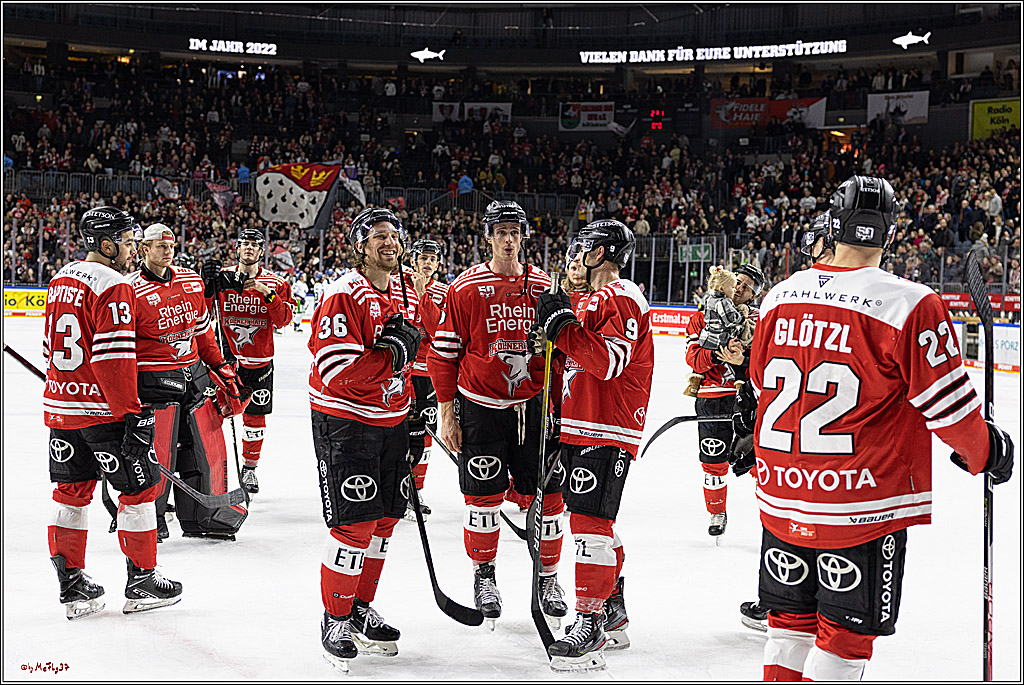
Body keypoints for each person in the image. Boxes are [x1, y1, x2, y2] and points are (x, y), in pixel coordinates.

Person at [738, 176, 1014, 680]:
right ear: (889, 234)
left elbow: (760, 380)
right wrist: (986, 452)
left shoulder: (779, 295)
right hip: (861, 507)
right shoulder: (909, 302)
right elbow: (951, 413)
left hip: (781, 499)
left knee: (788, 632)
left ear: (832, 227)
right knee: (843, 642)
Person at [427, 200, 567, 630]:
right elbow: (444, 355)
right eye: (500, 231)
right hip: (481, 408)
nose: (508, 239)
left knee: (550, 497)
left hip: (534, 409)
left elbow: (563, 352)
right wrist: (447, 413)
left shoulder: (545, 287)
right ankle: (483, 575)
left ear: (524, 235)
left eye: (514, 231)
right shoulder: (465, 288)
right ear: (487, 236)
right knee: (482, 498)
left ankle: (548, 578)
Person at [44, 206, 182, 620]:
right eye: (126, 243)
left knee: (71, 493)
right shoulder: (114, 285)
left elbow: (52, 347)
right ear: (106, 245)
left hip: (63, 408)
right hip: (104, 412)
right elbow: (114, 358)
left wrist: (63, 385)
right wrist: (133, 414)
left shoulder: (59, 278)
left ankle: (72, 586)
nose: (132, 252)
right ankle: (142, 580)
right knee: (139, 491)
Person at [529, 219, 653, 672]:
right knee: (593, 520)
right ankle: (612, 608)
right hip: (584, 424)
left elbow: (607, 362)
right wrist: (550, 342)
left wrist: (562, 328)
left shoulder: (620, 296)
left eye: (583, 246)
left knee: (590, 525)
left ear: (601, 253)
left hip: (607, 426)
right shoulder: (595, 300)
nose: (575, 254)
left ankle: (590, 622)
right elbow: (579, 359)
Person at [307, 207, 422, 670]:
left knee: (385, 522)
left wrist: (417, 406)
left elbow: (417, 351)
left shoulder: (404, 289)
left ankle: (358, 605)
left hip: (391, 420)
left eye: (393, 235)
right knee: (353, 524)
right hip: (346, 423)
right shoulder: (343, 294)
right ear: (360, 245)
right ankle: (334, 615)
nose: (388, 243)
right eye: (377, 237)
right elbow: (337, 371)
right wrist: (388, 356)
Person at [738, 213, 831, 634]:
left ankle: (787, 605)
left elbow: (761, 376)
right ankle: (819, 608)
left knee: (789, 523)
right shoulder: (877, 298)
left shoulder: (786, 297)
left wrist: (755, 426)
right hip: (837, 453)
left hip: (796, 445)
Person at [128, 223, 246, 541]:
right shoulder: (129, 290)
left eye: (171, 245)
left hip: (193, 374)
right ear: (143, 249)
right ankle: (148, 517)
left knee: (203, 445)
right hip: (152, 380)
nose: (168, 251)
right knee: (159, 448)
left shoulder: (191, 282)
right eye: (160, 246)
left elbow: (203, 333)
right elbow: (121, 348)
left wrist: (221, 367)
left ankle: (205, 517)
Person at [202, 228, 292, 495]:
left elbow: (285, 319)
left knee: (255, 419)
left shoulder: (276, 283)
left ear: (262, 251)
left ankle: (250, 470)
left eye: (255, 244)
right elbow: (204, 312)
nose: (249, 248)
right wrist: (208, 286)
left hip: (259, 363)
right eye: (245, 244)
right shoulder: (224, 278)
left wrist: (266, 293)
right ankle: (211, 466)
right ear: (237, 249)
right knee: (211, 414)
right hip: (225, 361)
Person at [505, 252, 594, 513]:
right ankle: (537, 488)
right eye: (571, 265)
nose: (575, 269)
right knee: (546, 437)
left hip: (581, 380)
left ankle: (570, 488)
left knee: (576, 438)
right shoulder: (554, 297)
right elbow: (539, 337)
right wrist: (542, 345)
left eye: (580, 264)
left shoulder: (595, 299)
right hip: (553, 378)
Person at [684, 261, 765, 540]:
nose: (740, 288)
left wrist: (743, 361)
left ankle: (770, 513)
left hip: (749, 398)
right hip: (712, 397)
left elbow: (769, 363)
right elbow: (692, 358)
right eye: (738, 282)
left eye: (747, 287)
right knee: (713, 458)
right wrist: (717, 355)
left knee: (757, 459)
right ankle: (717, 511)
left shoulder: (760, 319)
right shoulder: (702, 315)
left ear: (753, 295)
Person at [403, 238, 450, 521]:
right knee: (398, 433)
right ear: (413, 260)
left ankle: (416, 490)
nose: (428, 263)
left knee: (426, 435)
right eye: (424, 258)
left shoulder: (444, 292)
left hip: (428, 375)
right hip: (401, 375)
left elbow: (438, 332)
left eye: (433, 259)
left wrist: (423, 296)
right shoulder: (396, 284)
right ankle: (397, 486)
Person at [684, 267, 748, 395]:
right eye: (733, 287)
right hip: (720, 336)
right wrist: (742, 316)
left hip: (708, 335)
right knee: (731, 355)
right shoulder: (724, 302)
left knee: (704, 351)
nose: (736, 290)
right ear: (722, 289)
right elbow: (730, 319)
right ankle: (740, 381)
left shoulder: (708, 300)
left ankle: (695, 380)